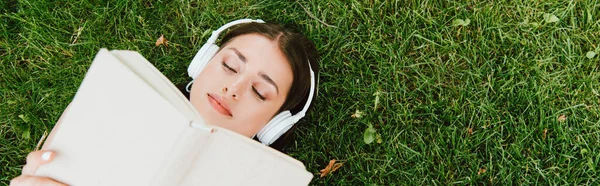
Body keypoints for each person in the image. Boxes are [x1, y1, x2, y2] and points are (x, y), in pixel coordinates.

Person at [10, 19, 320, 186]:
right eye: (230, 65)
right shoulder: (108, 102)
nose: (234, 88)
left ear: (274, 125)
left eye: (260, 92)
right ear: (201, 65)